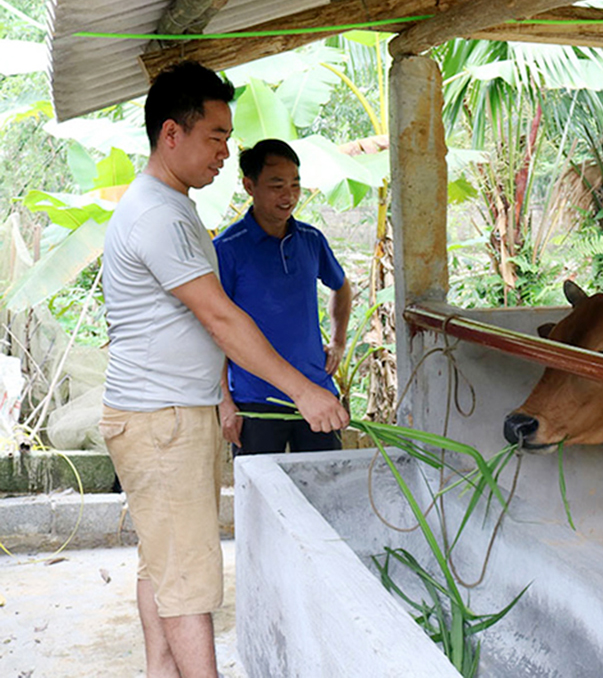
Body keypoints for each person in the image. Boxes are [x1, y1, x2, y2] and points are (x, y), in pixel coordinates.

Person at [99, 61, 348, 678]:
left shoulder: (170, 205)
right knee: (190, 585)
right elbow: (222, 320)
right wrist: (306, 391)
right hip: (163, 422)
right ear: (171, 134)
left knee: (164, 566)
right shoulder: (159, 215)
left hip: (166, 414)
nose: (224, 152)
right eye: (214, 137)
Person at [214, 139, 352, 455]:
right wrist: (225, 400)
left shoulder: (311, 240)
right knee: (262, 498)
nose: (288, 195)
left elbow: (341, 287)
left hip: (317, 393)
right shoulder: (227, 249)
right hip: (255, 401)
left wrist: (339, 341)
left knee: (326, 493)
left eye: (295, 184)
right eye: (277, 185)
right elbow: (216, 328)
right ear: (249, 185)